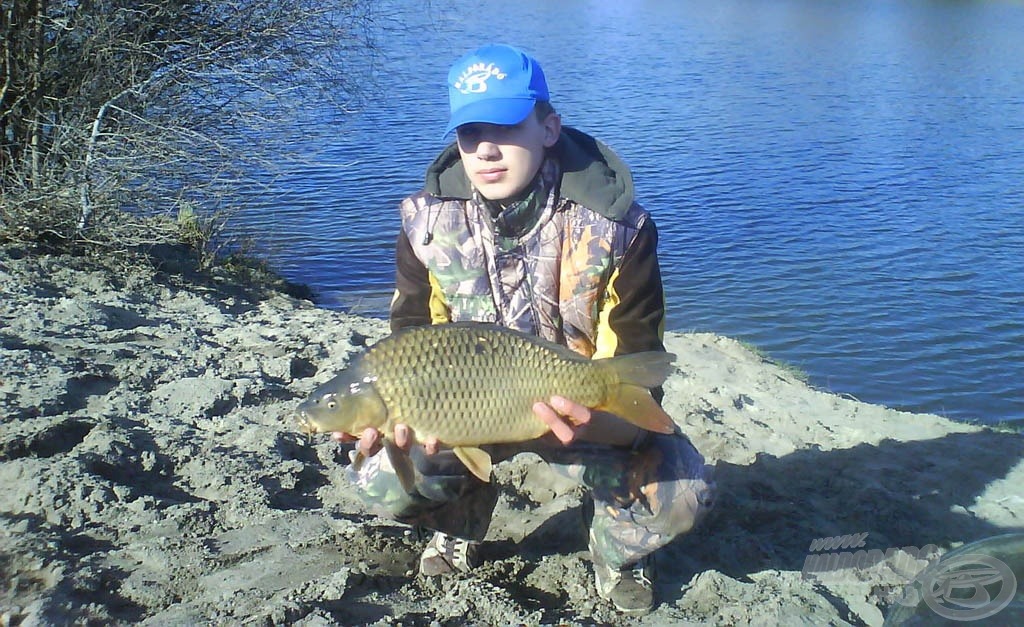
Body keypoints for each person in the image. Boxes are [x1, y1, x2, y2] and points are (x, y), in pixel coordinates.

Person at [334, 43, 715, 616]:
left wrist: (585, 416)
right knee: (381, 476)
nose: (485, 149)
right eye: (468, 133)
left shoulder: (619, 226)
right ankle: (457, 525)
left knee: (680, 495)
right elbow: (410, 337)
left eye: (506, 126)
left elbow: (638, 360)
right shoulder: (424, 222)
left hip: (579, 405)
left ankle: (619, 554)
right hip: (468, 411)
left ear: (548, 128)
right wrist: (398, 427)